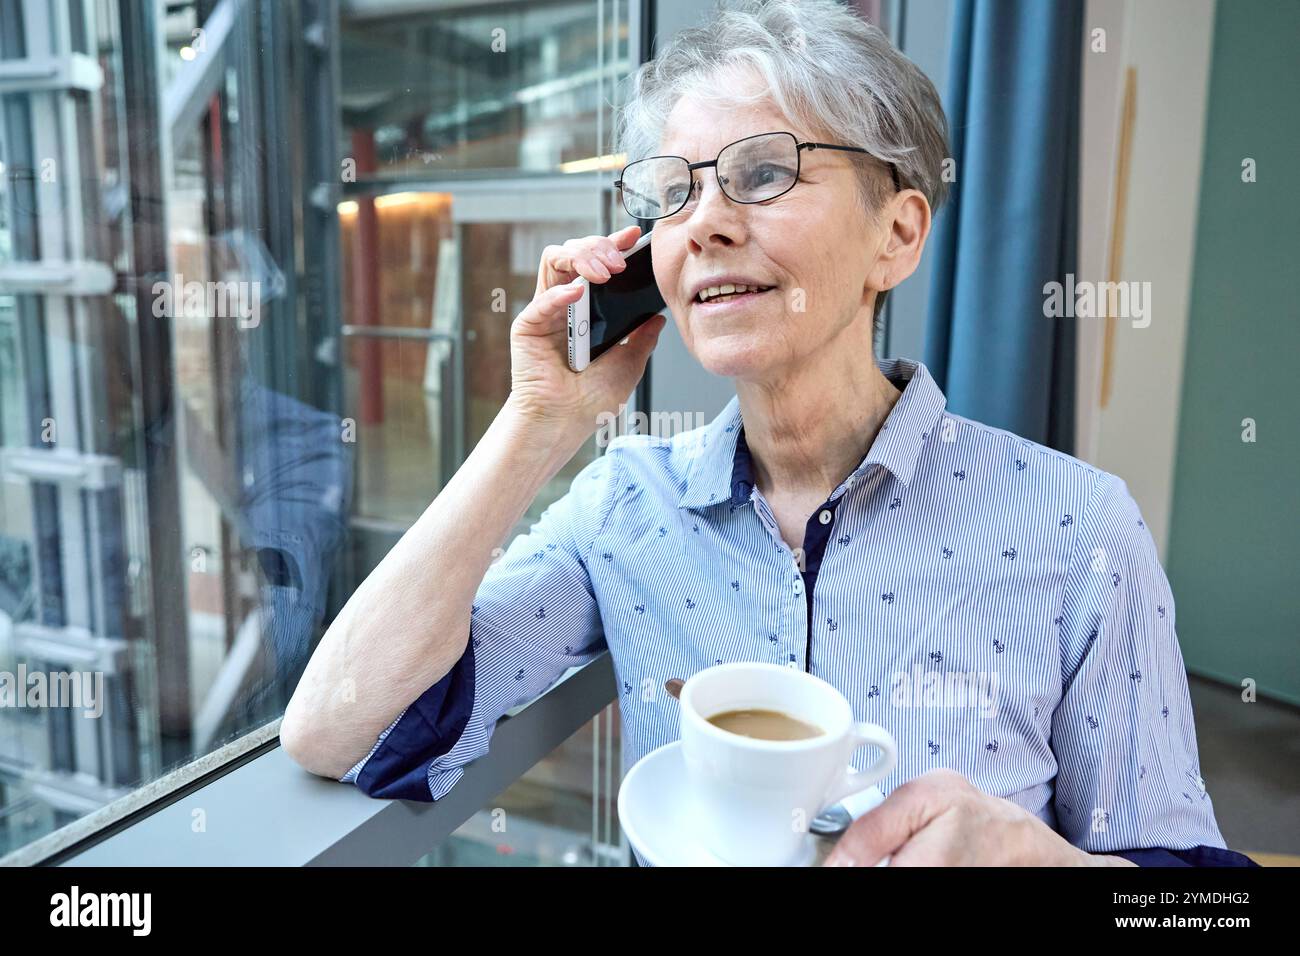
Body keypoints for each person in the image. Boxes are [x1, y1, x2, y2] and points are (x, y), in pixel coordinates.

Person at [282, 0, 1254, 867]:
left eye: (761, 172)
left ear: (898, 236)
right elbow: (334, 729)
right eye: (671, 191)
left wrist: (1047, 864)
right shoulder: (626, 504)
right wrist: (539, 416)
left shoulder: (1078, 526)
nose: (702, 221)